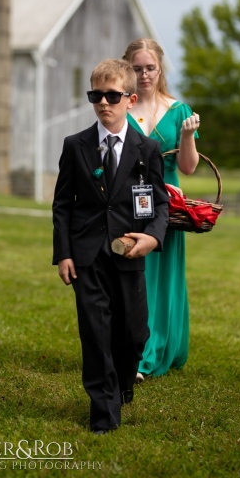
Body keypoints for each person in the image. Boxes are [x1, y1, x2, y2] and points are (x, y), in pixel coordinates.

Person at [52, 59, 169, 434]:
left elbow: (160, 203)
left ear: (130, 99)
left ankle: (122, 381)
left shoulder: (146, 149)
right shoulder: (76, 146)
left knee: (134, 333)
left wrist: (152, 236)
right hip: (87, 254)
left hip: (129, 252)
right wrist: (65, 253)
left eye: (112, 96)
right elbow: (62, 204)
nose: (104, 103)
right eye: (96, 95)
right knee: (95, 330)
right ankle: (103, 412)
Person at [122, 38, 200, 379]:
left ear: (160, 69)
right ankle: (135, 348)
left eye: (149, 68)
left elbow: (188, 167)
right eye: (136, 69)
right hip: (129, 202)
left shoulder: (179, 110)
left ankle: (157, 348)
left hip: (167, 204)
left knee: (163, 277)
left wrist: (186, 136)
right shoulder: (120, 105)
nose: (143, 75)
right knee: (134, 277)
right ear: (127, 69)